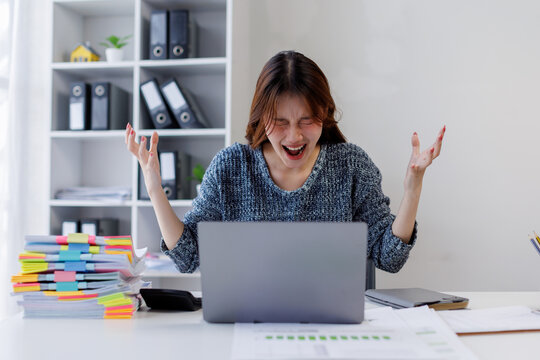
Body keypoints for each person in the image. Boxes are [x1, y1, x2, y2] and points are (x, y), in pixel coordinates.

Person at [125, 50, 445, 274]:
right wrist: (154, 190)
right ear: (260, 119)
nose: (294, 136)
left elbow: (389, 257)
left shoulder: (352, 166)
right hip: (248, 321)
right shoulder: (230, 167)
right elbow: (188, 257)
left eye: (307, 120)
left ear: (325, 116)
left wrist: (413, 188)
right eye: (280, 121)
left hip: (333, 327)